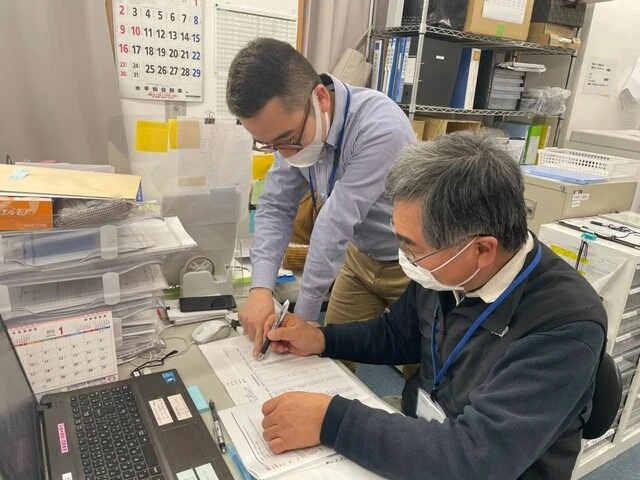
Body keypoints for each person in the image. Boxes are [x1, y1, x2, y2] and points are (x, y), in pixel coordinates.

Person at [258, 130, 607, 480]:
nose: (406, 258)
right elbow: (399, 334)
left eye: (413, 248)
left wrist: (331, 420)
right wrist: (323, 339)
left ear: (482, 250)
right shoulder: (449, 270)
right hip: (427, 433)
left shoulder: (565, 325)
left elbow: (478, 457)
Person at [226, 38, 415, 360]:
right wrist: (260, 289)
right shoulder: (294, 127)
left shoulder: (381, 127)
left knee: (421, 363)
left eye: (287, 140)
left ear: (321, 99)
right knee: (330, 355)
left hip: (413, 266)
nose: (284, 154)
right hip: (360, 258)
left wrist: (304, 315)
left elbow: (335, 222)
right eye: (270, 145)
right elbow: (275, 207)